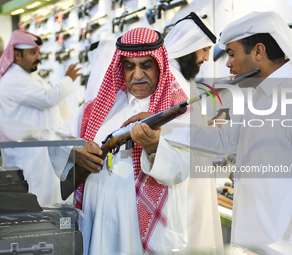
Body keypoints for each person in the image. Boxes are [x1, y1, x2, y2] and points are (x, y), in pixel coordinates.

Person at [176, 11, 292, 254]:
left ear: (259, 51)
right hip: (257, 244)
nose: (228, 63)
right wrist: (164, 134)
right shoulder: (255, 93)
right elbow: (224, 140)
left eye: (231, 54)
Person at [49, 27, 191, 255]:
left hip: (137, 231)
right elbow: (57, 136)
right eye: (129, 66)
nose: (137, 75)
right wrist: (75, 151)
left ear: (159, 65)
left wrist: (154, 146)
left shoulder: (177, 110)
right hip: (96, 219)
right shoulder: (98, 107)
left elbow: (182, 169)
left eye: (146, 65)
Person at [164, 12, 224, 254]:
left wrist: (205, 125)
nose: (207, 57)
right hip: (180, 179)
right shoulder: (169, 78)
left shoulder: (180, 76)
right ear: (189, 46)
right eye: (204, 50)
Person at [0, 29, 82, 205]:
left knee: (45, 201)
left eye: (38, 52)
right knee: (33, 202)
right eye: (32, 53)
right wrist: (69, 78)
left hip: (37, 152)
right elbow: (48, 98)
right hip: (27, 155)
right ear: (16, 55)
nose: (38, 57)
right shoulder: (13, 80)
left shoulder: (28, 76)